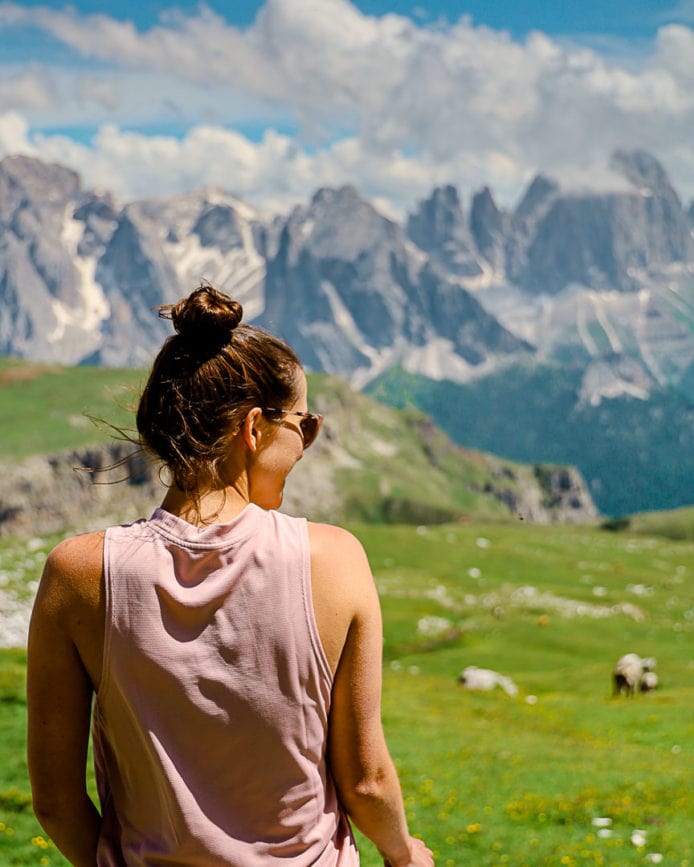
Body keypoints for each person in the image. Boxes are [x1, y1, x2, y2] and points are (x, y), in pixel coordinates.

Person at [26, 285, 435, 867]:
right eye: (304, 425)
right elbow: (366, 783)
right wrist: (404, 854)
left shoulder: (78, 573)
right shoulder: (335, 560)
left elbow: (55, 802)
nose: (306, 444)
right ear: (252, 429)